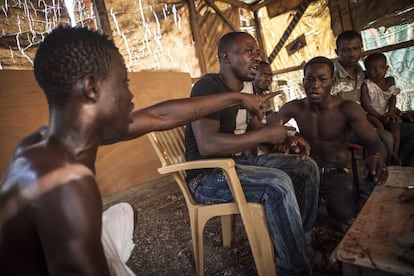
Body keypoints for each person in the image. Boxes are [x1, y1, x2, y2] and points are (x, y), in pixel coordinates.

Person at [0, 26, 275, 276]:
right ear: (92, 87)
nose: (130, 96)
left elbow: (160, 116)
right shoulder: (64, 185)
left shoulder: (56, 136)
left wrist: (239, 97)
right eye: (124, 83)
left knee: (125, 213)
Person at [185, 31, 320, 276]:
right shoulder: (208, 86)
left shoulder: (248, 88)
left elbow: (257, 129)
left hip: (236, 164)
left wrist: (286, 138)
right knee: (276, 184)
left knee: (306, 167)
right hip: (207, 177)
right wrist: (263, 136)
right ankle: (295, 270)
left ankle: (301, 244)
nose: (256, 57)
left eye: (257, 51)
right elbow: (207, 144)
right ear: (226, 57)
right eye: (248, 51)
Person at [269, 56, 388, 229]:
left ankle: (335, 206)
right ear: (303, 82)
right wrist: (287, 137)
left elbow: (375, 142)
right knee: (296, 216)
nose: (315, 84)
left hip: (335, 172)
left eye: (322, 79)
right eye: (310, 79)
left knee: (344, 213)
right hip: (305, 171)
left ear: (332, 81)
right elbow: (272, 122)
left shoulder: (347, 108)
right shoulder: (296, 107)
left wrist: (376, 156)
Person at [332, 30, 414, 166]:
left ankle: (401, 169)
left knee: (411, 131)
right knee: (385, 137)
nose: (352, 53)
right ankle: (383, 175)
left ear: (361, 49)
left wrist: (396, 112)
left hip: (371, 118)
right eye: (345, 50)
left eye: (355, 48)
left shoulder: (365, 73)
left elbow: (380, 97)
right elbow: (329, 110)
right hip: (348, 127)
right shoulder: (331, 76)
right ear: (337, 52)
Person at [361, 52, 402, 165]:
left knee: (395, 126)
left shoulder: (390, 81)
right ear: (367, 71)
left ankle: (394, 153)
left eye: (381, 68)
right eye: (373, 69)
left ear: (386, 68)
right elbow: (366, 105)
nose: (378, 71)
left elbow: (392, 98)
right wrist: (379, 116)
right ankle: (389, 153)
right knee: (379, 126)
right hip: (371, 114)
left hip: (385, 113)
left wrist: (391, 112)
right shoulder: (367, 85)